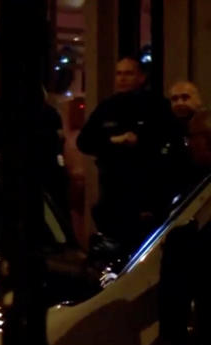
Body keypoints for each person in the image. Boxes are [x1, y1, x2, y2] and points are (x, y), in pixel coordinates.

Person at [78, 56, 181, 245]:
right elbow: (84, 141)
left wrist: (141, 142)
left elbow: (169, 139)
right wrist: (113, 141)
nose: (122, 78)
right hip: (112, 192)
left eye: (128, 74)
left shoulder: (156, 106)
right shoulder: (107, 107)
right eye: (119, 74)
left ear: (141, 77)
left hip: (146, 193)